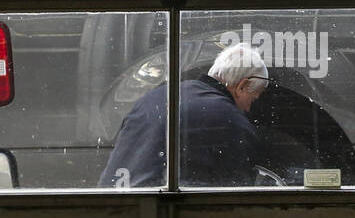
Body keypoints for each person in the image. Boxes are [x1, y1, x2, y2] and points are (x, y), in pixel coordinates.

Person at [99, 42, 269, 187]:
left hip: (113, 203)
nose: (248, 109)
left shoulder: (156, 96)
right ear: (242, 86)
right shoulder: (229, 119)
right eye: (253, 99)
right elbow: (238, 193)